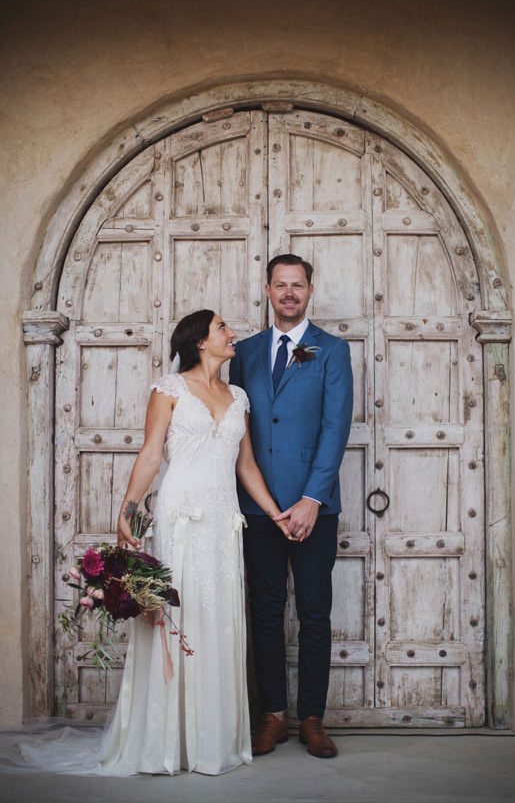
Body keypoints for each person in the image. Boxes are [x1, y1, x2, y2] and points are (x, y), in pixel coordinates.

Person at [105, 309, 293, 776]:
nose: (232, 334)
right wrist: (127, 509)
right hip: (181, 515)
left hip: (222, 523)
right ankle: (168, 742)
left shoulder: (238, 396)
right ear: (200, 342)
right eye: (222, 328)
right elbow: (151, 454)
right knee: (179, 614)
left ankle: (212, 739)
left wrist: (275, 515)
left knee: (219, 619)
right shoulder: (168, 390)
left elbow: (246, 465)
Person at [229, 254, 353, 759]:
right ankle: (273, 716)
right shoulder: (244, 352)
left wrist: (310, 499)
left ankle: (312, 719)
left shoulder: (332, 350)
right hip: (258, 509)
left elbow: (335, 427)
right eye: (280, 285)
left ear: (310, 291)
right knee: (264, 611)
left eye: (297, 286)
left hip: (313, 509)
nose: (288, 294)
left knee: (315, 613)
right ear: (266, 289)